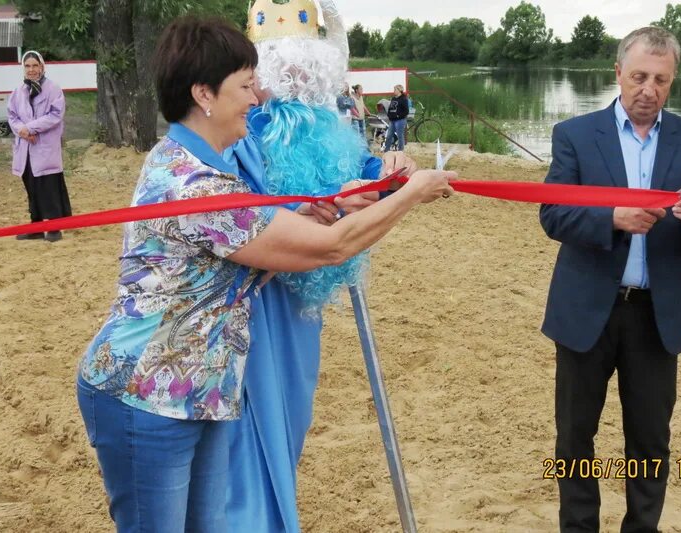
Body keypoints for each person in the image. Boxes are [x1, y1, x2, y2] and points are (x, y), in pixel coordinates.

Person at [75, 16, 453, 532]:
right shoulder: (197, 184)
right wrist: (412, 193)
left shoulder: (203, 165)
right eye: (247, 86)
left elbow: (240, 242)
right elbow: (330, 248)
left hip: (201, 391)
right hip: (147, 396)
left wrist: (313, 209)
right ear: (204, 93)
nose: (258, 99)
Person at [226, 1, 419, 529]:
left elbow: (358, 173)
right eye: (285, 64)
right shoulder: (249, 127)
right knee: (256, 414)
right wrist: (322, 205)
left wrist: (388, 170)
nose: (296, 74)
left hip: (307, 295)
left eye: (305, 63)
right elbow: (244, 206)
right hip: (256, 291)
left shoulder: (330, 121)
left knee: (292, 411)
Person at [539, 26, 681, 532]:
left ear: (672, 81)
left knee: (649, 440)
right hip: (585, 313)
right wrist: (612, 219)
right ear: (618, 74)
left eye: (661, 80)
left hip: (655, 315)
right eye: (640, 76)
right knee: (575, 437)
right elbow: (552, 215)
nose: (649, 89)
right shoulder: (575, 135)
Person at [7, 50, 71, 242]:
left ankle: (54, 228)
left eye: (35, 65)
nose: (32, 69)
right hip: (26, 149)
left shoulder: (53, 89)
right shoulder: (18, 92)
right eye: (28, 66)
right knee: (32, 187)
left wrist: (31, 128)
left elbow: (54, 115)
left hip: (45, 147)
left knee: (49, 187)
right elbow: (12, 116)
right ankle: (35, 226)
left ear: (42, 67)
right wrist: (23, 131)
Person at [383, 84, 409, 152]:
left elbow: (406, 111)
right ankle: (386, 149)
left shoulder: (403, 99)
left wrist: (398, 115)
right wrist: (389, 115)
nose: (394, 91)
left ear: (399, 90)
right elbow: (390, 108)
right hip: (392, 120)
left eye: (395, 89)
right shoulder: (393, 98)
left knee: (400, 136)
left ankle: (401, 150)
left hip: (400, 121)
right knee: (389, 135)